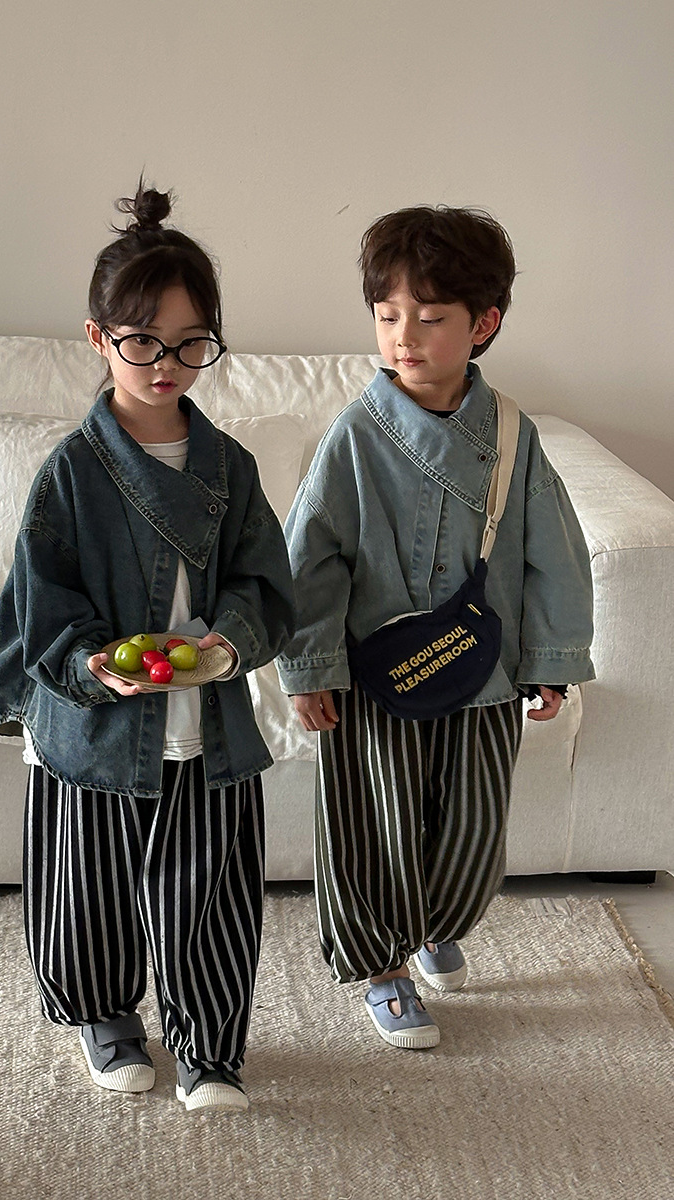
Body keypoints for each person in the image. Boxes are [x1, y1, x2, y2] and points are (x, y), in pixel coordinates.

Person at [0, 181, 295, 1110]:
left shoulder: (231, 466)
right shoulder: (70, 473)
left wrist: (229, 644)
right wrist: (92, 666)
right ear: (98, 338)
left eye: (193, 344)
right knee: (90, 888)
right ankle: (107, 1018)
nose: (168, 365)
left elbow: (266, 585)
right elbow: (41, 607)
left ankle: (209, 1048)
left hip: (207, 719)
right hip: (97, 723)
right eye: (144, 342)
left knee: (212, 893)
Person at [276, 205, 594, 1050]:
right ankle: (382, 966)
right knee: (373, 825)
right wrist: (310, 669)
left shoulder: (513, 434)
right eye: (387, 316)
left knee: (473, 831)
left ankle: (434, 922)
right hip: (374, 680)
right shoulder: (354, 435)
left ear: (483, 324)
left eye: (430, 317)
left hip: (482, 673)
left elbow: (555, 554)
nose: (403, 337)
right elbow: (309, 563)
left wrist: (551, 660)